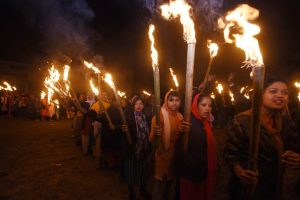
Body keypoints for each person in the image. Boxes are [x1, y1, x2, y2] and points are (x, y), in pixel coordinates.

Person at [225, 76, 300, 200]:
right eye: (273, 91)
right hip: (248, 188)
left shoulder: (286, 122)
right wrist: (239, 171)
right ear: (260, 95)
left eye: (285, 93)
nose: (280, 95)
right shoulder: (242, 121)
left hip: (275, 185)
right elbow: (230, 154)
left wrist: (297, 157)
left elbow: (294, 145)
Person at [175, 93, 217, 200]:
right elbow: (179, 147)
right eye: (204, 105)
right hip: (190, 173)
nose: (207, 108)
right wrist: (181, 133)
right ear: (196, 106)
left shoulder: (205, 122)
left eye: (209, 105)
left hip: (202, 171)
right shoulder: (189, 122)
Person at [150, 90, 189, 200]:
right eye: (171, 100)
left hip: (175, 156)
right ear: (166, 101)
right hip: (162, 155)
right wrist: (155, 132)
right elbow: (150, 140)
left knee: (169, 184)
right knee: (160, 184)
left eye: (177, 100)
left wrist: (182, 131)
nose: (174, 103)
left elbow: (181, 139)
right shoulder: (159, 117)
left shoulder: (181, 117)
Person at [121, 96, 151, 200]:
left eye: (141, 104)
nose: (139, 106)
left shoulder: (145, 117)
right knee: (131, 172)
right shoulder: (129, 118)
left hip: (143, 150)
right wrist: (125, 130)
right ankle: (131, 193)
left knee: (142, 172)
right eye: (136, 104)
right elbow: (125, 132)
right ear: (133, 106)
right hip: (132, 150)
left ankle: (142, 190)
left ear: (143, 106)